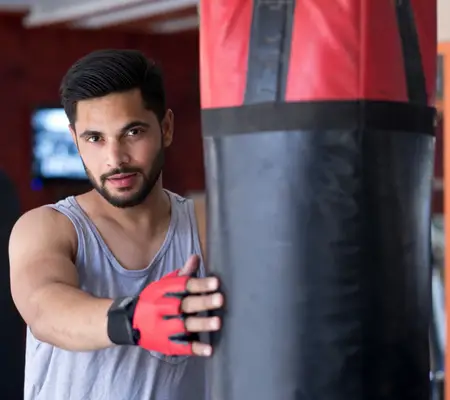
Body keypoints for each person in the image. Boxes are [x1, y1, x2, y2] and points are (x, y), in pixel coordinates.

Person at [9, 49, 224, 400]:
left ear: (166, 128)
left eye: (133, 132)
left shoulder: (207, 225)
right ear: (75, 139)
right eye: (95, 138)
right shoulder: (49, 227)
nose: (115, 158)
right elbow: (43, 307)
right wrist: (132, 318)